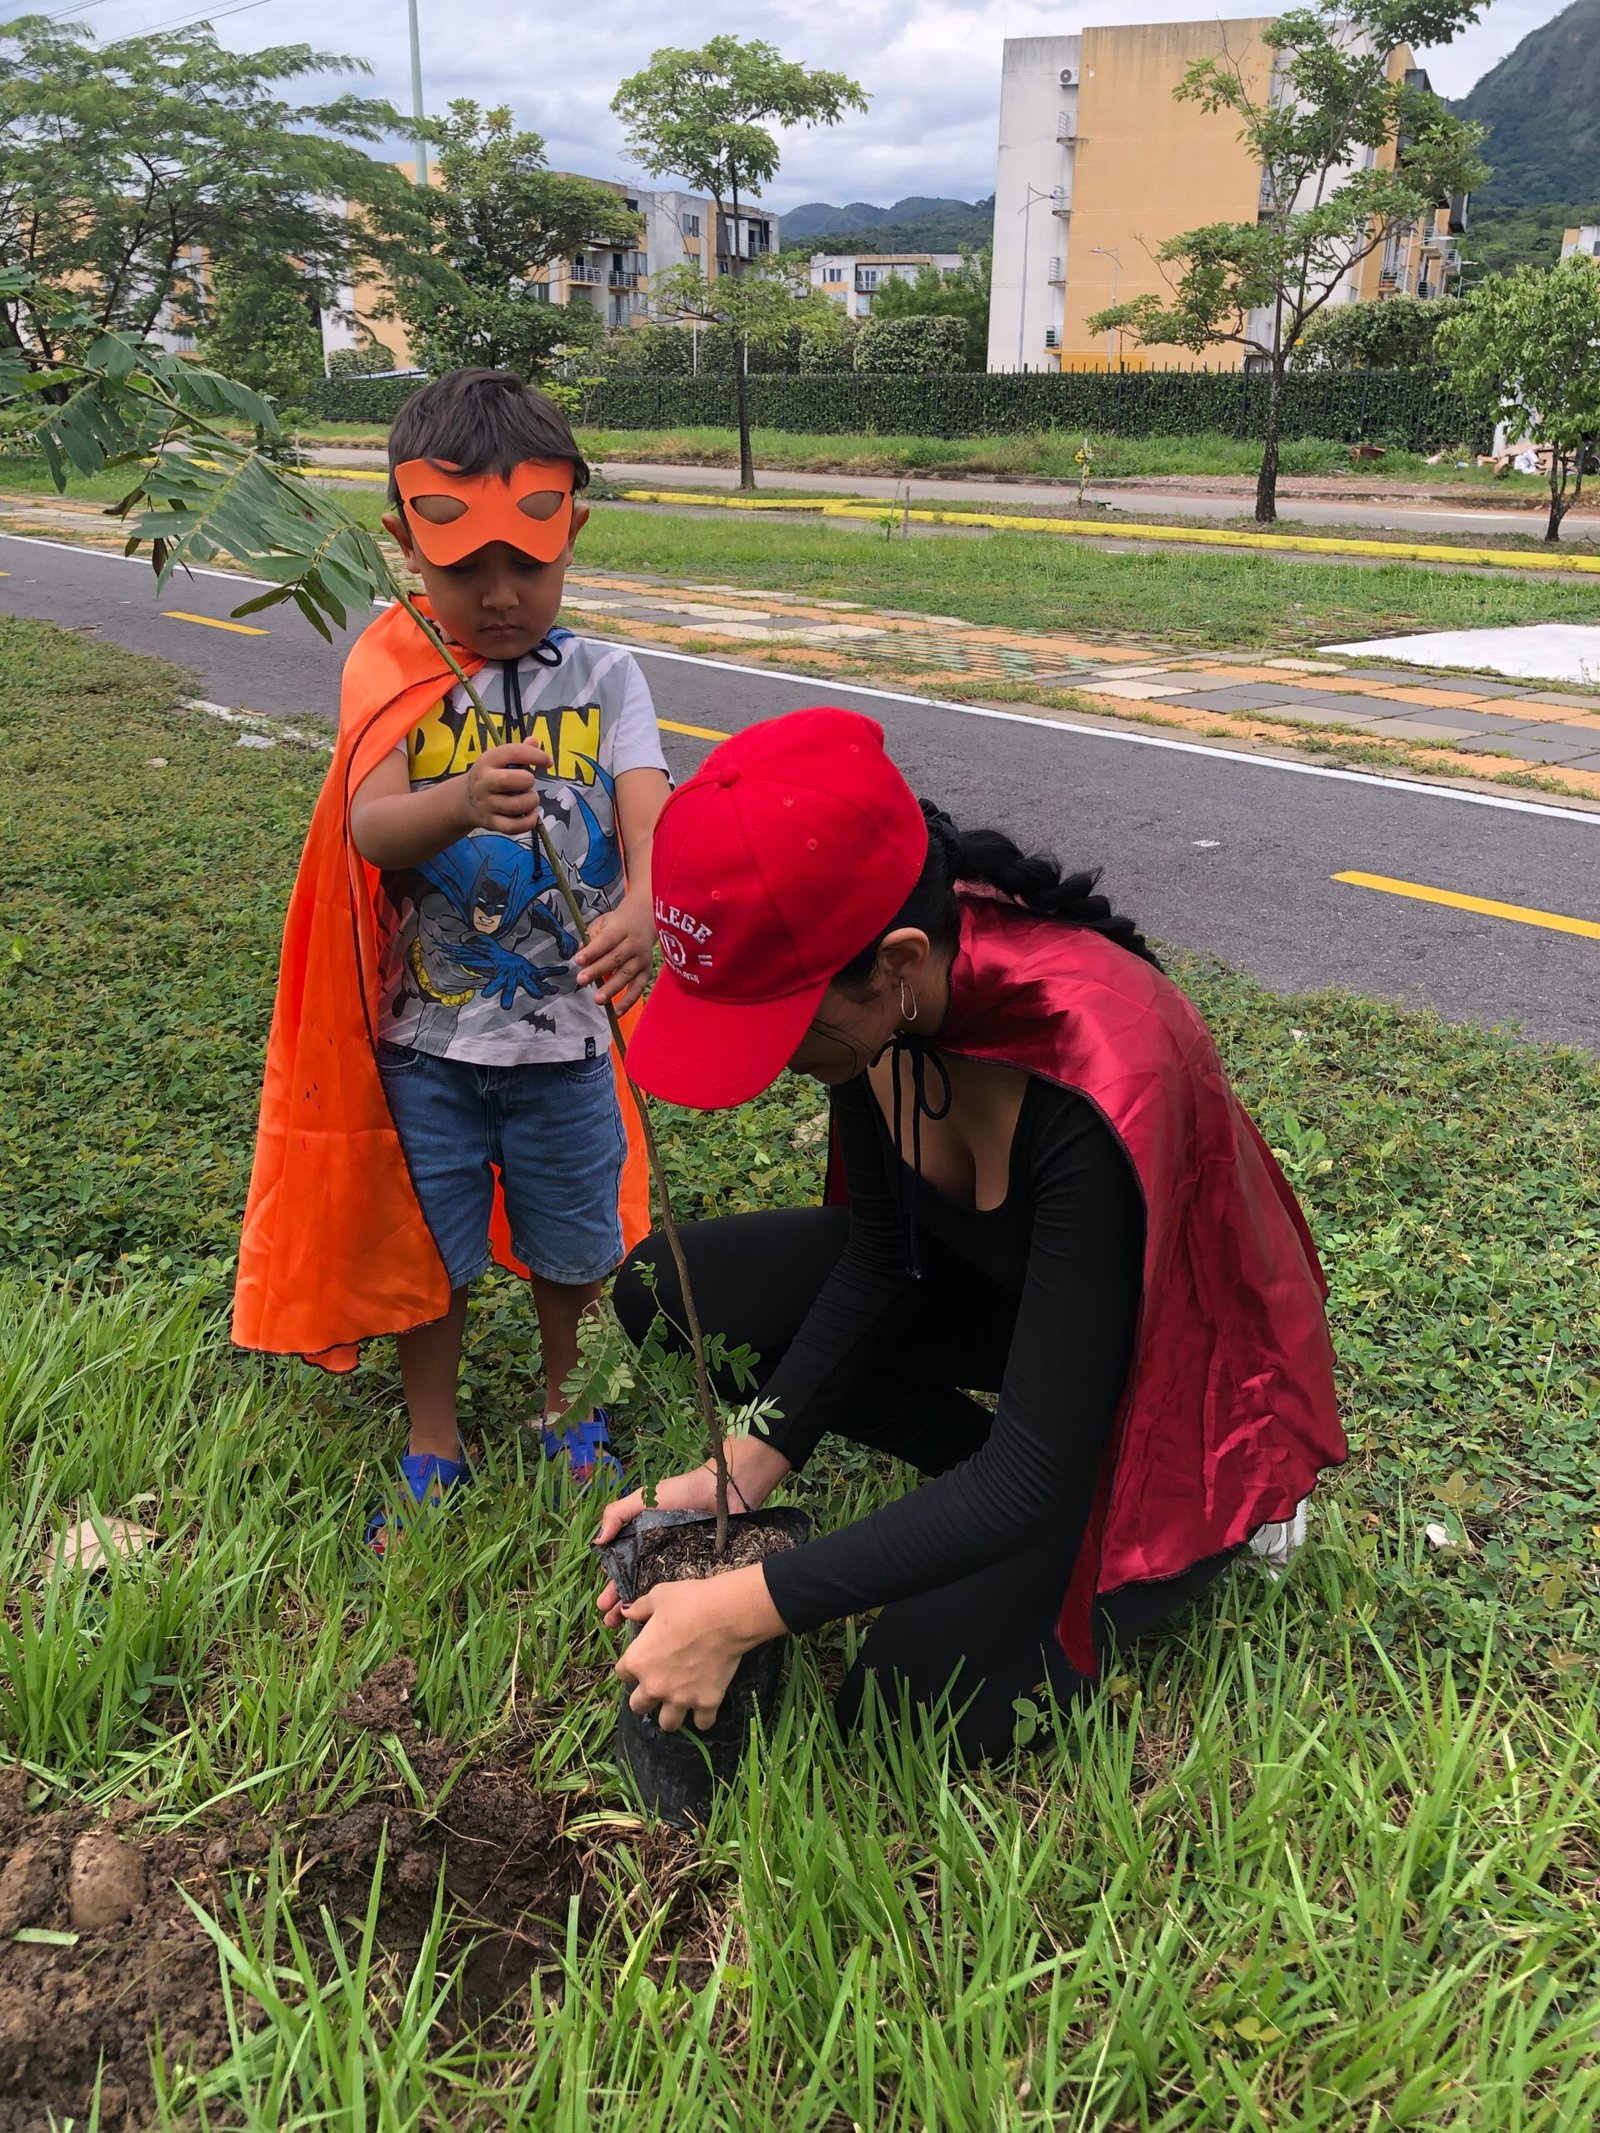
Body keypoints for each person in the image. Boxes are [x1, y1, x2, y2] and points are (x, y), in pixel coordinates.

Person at [596, 707, 1345, 1759]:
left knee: (906, 1711)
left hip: (1170, 1382)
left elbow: (1037, 1469)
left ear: (895, 964)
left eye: (782, 1028)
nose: (770, 1064)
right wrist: (740, 1470)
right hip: (1017, 1307)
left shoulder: (1102, 1073)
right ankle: (976, 1488)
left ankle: (1232, 1519)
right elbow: (877, 1258)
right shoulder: (883, 1005)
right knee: (666, 1288)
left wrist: (744, 1606)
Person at [232, 368, 671, 1546]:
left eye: (527, 563)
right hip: (427, 1045)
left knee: (572, 1244)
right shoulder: (394, 672)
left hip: (571, 1042)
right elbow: (370, 826)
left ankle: (565, 1411)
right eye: (462, 567)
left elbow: (646, 801)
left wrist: (647, 899)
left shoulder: (606, 677)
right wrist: (461, 799)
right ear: (402, 544)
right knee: (434, 1250)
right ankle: (434, 1437)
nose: (498, 594)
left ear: (570, 531)